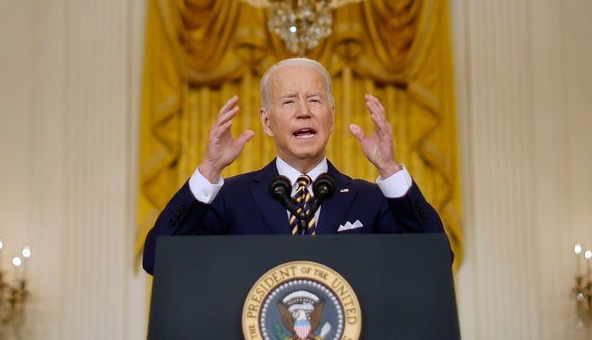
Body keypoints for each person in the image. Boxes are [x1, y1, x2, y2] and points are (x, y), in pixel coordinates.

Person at [142, 57, 447, 275]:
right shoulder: (230, 199)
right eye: (289, 101)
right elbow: (158, 258)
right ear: (266, 121)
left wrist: (390, 169)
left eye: (314, 100)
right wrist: (209, 170)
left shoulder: (369, 200)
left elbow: (436, 258)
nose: (304, 112)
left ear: (332, 117)